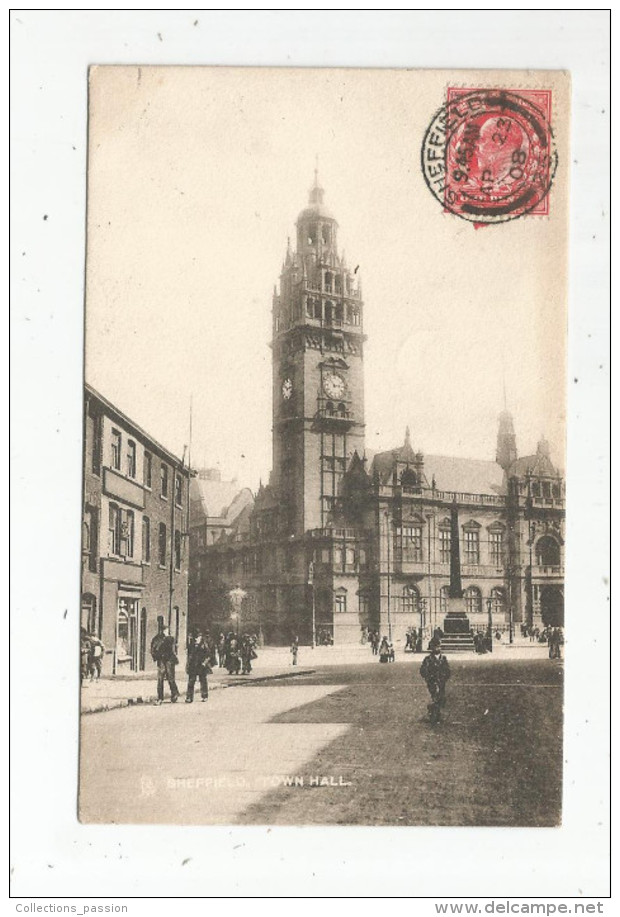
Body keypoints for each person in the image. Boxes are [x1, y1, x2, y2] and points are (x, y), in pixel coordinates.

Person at [420, 638, 451, 724]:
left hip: (441, 682)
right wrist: (428, 678)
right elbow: (423, 670)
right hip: (432, 682)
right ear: (432, 648)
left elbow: (447, 670)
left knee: (441, 698)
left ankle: (434, 713)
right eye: (435, 647)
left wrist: (444, 678)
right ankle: (435, 716)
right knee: (435, 697)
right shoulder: (428, 659)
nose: (437, 649)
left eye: (439, 647)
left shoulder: (443, 658)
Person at [151, 625, 180, 705]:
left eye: (166, 630)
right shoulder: (157, 638)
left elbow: (171, 647)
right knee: (160, 679)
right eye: (164, 630)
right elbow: (153, 648)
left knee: (170, 678)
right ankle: (160, 698)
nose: (165, 632)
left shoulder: (170, 638)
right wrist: (155, 657)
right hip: (161, 660)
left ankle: (174, 694)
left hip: (169, 661)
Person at [185, 629, 211, 702]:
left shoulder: (204, 644)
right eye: (195, 637)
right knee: (191, 681)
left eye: (198, 637)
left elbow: (209, 655)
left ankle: (204, 695)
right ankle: (189, 697)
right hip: (193, 665)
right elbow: (189, 655)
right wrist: (188, 664)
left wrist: (204, 663)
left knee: (203, 680)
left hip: (201, 665)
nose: (196, 639)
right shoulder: (192, 644)